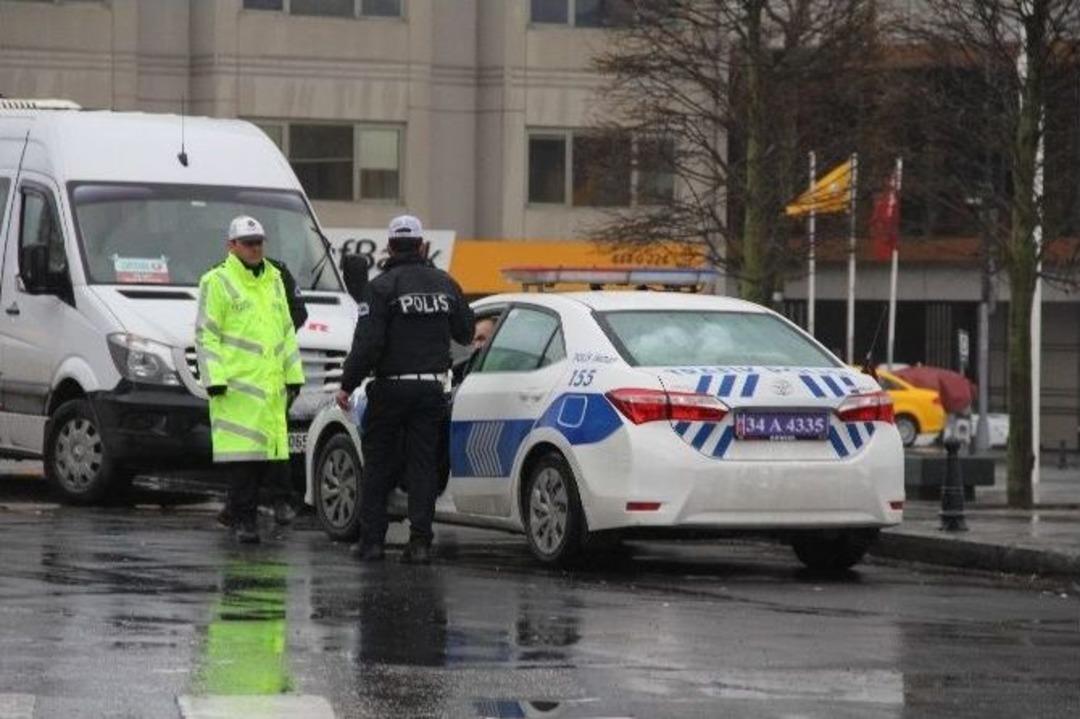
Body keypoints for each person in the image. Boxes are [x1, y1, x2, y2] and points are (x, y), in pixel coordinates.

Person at [336, 214, 473, 564]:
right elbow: (466, 333)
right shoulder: (445, 283)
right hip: (430, 391)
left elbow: (367, 344)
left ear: (390, 246)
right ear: (422, 245)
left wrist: (347, 384)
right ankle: (420, 543)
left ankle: (372, 543)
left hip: (391, 390)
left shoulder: (381, 287)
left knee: (379, 465)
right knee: (422, 466)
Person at [196, 215, 305, 544]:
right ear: (232, 246)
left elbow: (286, 330)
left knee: (268, 458)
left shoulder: (274, 278)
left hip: (270, 388)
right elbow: (206, 335)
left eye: (259, 242)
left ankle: (240, 512)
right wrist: (214, 378)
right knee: (243, 460)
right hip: (237, 388)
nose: (255, 248)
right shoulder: (216, 281)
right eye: (248, 243)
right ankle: (243, 520)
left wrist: (293, 374)